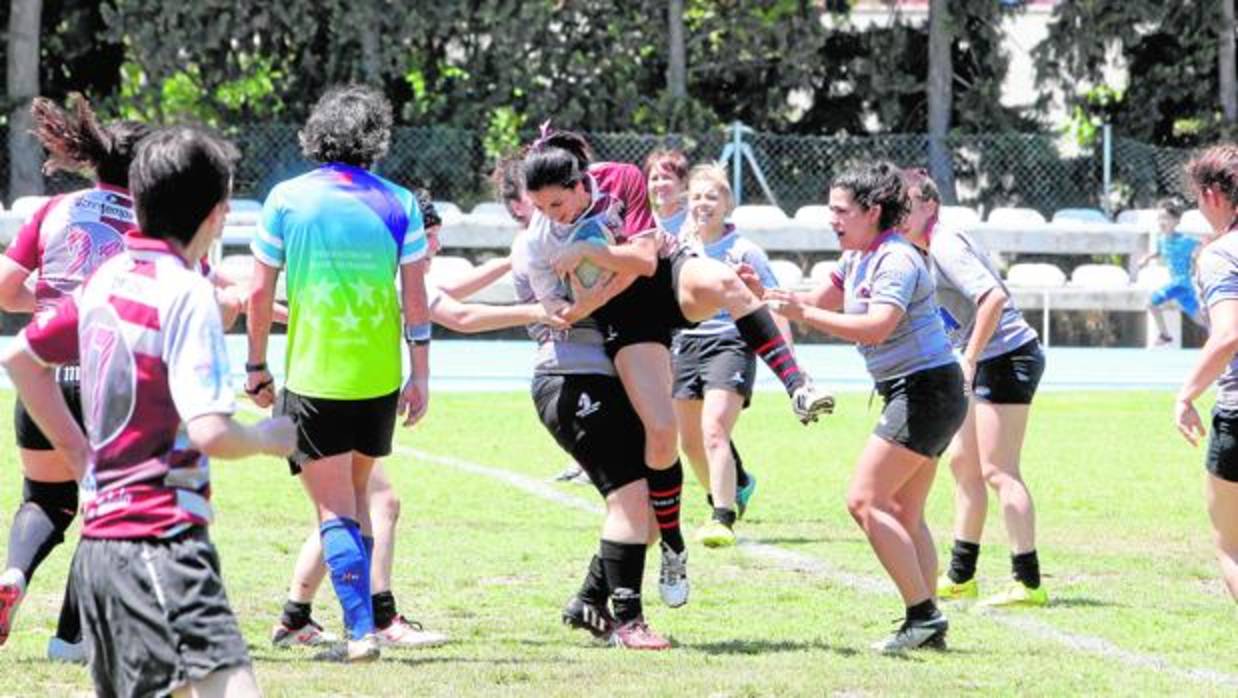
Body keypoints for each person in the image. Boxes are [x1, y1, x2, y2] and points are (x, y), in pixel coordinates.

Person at [2, 124, 296, 698]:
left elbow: (20, 360)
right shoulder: (188, 293)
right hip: (164, 538)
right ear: (218, 215)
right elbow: (211, 431)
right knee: (233, 686)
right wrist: (267, 436)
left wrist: (79, 456)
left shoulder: (108, 278)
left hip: (103, 550)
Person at [520, 127, 834, 608]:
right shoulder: (539, 237)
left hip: (663, 277)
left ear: (582, 183)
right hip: (625, 318)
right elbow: (562, 313)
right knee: (663, 431)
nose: (551, 218)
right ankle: (673, 545)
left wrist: (589, 253)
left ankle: (798, 384)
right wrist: (589, 296)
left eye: (557, 207)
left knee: (729, 282)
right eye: (540, 209)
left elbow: (646, 260)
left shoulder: (621, 179)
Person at [269, 191, 558, 649]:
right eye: (433, 241)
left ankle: (296, 616)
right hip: (340, 396)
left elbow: (453, 295)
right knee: (368, 508)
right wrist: (538, 311)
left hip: (330, 394)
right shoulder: (397, 275)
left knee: (346, 513)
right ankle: (378, 618)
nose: (436, 251)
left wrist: (512, 261)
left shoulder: (380, 264)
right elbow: (457, 314)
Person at [246, 84, 431, 663]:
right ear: (375, 137)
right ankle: (329, 620)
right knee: (353, 499)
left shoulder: (287, 199)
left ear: (316, 132)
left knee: (334, 511)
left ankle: (359, 633)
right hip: (377, 377)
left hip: (314, 375)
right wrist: (420, 374)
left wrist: (255, 365)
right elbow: (418, 301)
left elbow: (258, 292)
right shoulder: (400, 200)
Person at [764, 161, 965, 652]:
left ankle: (923, 616)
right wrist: (760, 294)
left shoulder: (895, 258)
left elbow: (876, 325)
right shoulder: (857, 257)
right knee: (904, 510)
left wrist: (803, 313)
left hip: (926, 391)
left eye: (840, 210)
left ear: (872, 211)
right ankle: (926, 622)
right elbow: (819, 299)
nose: (831, 219)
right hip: (922, 391)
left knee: (865, 501)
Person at [0, 94, 150, 662]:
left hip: (42, 373)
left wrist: (59, 298)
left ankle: (14, 569)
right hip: (111, 378)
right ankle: (72, 637)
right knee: (108, 504)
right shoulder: (152, 224)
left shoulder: (54, 210)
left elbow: (5, 288)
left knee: (46, 497)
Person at [514, 222, 670, 649]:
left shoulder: (598, 227)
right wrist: (615, 278)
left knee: (651, 516)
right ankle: (629, 622)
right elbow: (561, 314)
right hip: (570, 378)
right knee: (629, 500)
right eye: (548, 204)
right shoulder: (532, 245)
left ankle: (589, 600)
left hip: (609, 381)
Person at [900, 168, 1049, 607]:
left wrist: (967, 358)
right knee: (964, 465)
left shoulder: (944, 242)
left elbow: (994, 298)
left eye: (907, 204)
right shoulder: (920, 249)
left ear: (930, 205)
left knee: (1000, 470)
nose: (900, 214)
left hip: (1006, 356)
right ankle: (962, 574)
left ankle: (1028, 580)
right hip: (979, 359)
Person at [673, 164, 785, 547]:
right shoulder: (678, 246)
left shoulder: (744, 250)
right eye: (697, 196)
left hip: (730, 342)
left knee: (715, 428)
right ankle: (735, 486)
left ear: (727, 204)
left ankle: (722, 516)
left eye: (712, 196)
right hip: (685, 344)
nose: (703, 204)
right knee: (689, 442)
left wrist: (792, 370)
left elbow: (771, 302)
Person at [1175, 143, 1238, 601]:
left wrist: (1186, 394)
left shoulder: (1221, 254)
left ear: (1213, 194)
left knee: (1231, 546)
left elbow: (1229, 334)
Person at [1138, 196, 1202, 345]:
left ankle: (1165, 335)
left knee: (1150, 303)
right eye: (1160, 218)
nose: (1162, 222)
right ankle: (1228, 342)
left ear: (1177, 221)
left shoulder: (1185, 240)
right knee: (1202, 320)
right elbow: (1160, 252)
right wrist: (1147, 258)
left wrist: (1196, 259)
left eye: (1166, 218)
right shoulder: (1162, 239)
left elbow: (1202, 246)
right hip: (1182, 289)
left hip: (1182, 283)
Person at [645, 148, 689, 234]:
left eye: (666, 178)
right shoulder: (643, 221)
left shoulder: (693, 221)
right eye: (654, 179)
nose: (660, 184)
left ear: (683, 183)